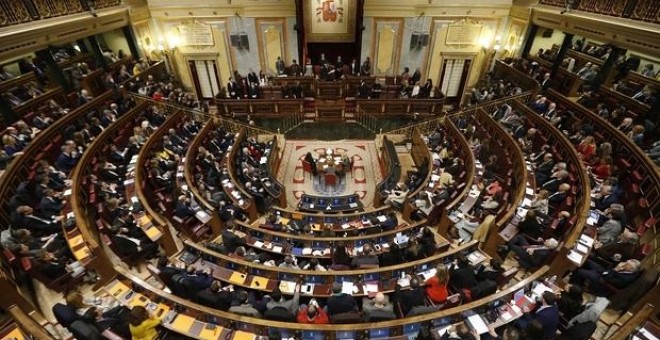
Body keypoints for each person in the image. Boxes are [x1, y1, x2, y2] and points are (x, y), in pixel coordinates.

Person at [571, 259, 641, 296]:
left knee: (580, 272)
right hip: (605, 272)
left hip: (602, 282)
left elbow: (608, 279)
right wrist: (614, 269)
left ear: (630, 269)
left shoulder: (625, 279)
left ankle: (573, 286)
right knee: (587, 261)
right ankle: (580, 281)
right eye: (626, 262)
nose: (624, 263)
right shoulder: (627, 268)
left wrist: (616, 269)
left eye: (627, 264)